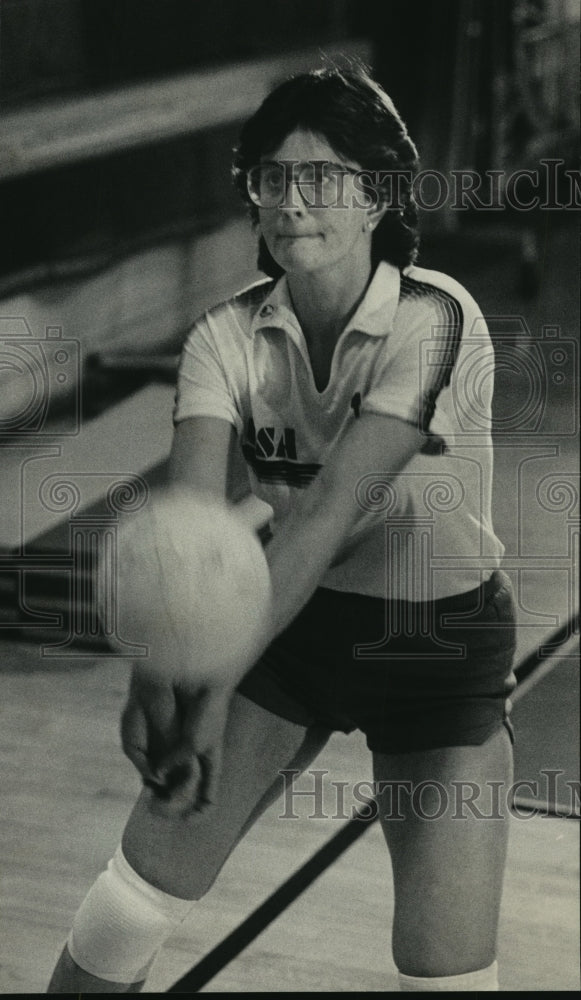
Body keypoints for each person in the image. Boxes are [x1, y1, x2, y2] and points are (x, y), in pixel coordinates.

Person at [47, 63, 517, 993]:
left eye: (322, 178)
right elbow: (188, 534)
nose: (293, 202)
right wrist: (161, 671)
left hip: (434, 655)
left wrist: (209, 687)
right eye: (271, 178)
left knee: (444, 977)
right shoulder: (222, 338)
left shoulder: (434, 316)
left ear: (377, 193)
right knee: (122, 910)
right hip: (289, 638)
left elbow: (328, 513)